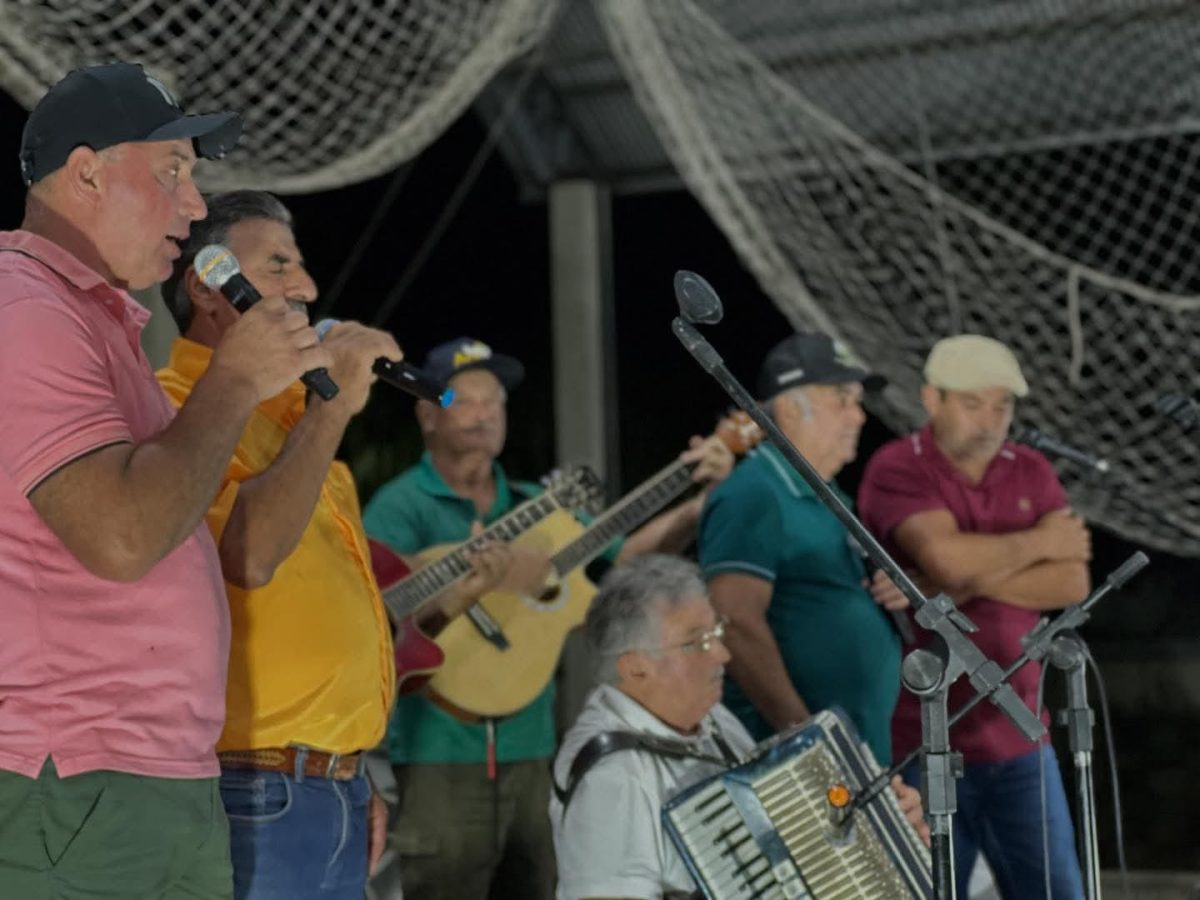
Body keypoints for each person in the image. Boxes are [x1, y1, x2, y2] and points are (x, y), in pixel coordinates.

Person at [0, 64, 329, 897]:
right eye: (174, 172)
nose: (194, 207)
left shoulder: (92, 318)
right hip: (76, 777)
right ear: (86, 173)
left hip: (146, 778)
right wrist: (230, 382)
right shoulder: (24, 306)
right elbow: (120, 536)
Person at [156, 190, 531, 899]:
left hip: (333, 787)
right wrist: (333, 407)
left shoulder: (301, 431)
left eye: (300, 266)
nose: (308, 288)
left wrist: (349, 771)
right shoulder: (173, 404)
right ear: (207, 284)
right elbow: (249, 554)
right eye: (278, 266)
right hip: (253, 792)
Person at [363, 339, 735, 900]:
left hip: (535, 751)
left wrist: (698, 502)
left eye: (496, 403)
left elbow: (621, 575)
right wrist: (463, 591)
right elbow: (377, 620)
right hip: (438, 753)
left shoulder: (539, 504)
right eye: (466, 400)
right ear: (426, 413)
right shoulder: (398, 507)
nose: (486, 413)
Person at [857, 334, 1091, 899]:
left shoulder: (1031, 468)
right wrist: (1039, 540)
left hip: (1022, 740)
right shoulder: (897, 467)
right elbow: (945, 556)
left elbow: (1073, 582)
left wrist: (946, 587)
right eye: (972, 403)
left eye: (1002, 405)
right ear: (931, 399)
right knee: (925, 891)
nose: (991, 421)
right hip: (924, 744)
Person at [550, 554, 929, 899]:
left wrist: (876, 826)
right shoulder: (611, 780)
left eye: (716, 632)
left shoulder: (710, 719)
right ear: (634, 667)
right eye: (697, 642)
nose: (723, 654)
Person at [696, 331, 903, 766]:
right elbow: (733, 621)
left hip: (855, 757)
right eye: (842, 399)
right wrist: (806, 740)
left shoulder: (829, 497)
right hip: (795, 771)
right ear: (790, 407)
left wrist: (890, 590)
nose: (859, 417)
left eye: (858, 402)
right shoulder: (755, 492)